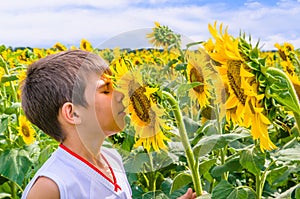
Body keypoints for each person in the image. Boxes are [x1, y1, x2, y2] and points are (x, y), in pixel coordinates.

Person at [21, 49, 196, 199]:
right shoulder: (51, 187)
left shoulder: (112, 158)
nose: (121, 95)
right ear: (73, 113)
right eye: (106, 90)